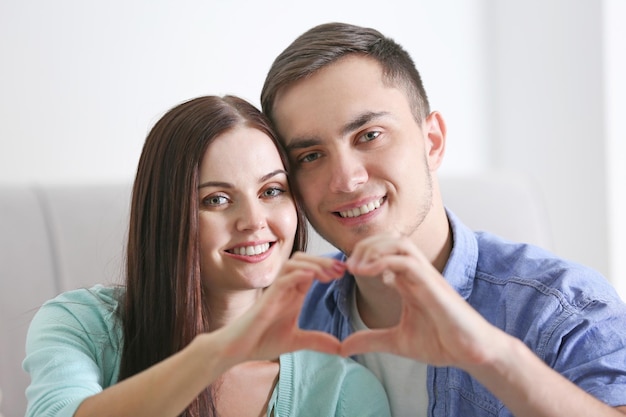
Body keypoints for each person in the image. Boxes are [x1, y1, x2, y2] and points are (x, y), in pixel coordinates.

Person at [260, 22, 626, 417]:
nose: (346, 179)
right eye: (311, 156)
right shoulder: (287, 316)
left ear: (432, 141)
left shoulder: (563, 308)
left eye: (369, 135)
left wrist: (492, 358)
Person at [23, 95, 392, 417]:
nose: (253, 221)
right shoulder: (82, 326)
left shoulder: (342, 391)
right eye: (216, 199)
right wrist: (217, 353)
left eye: (272, 190)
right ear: (167, 215)